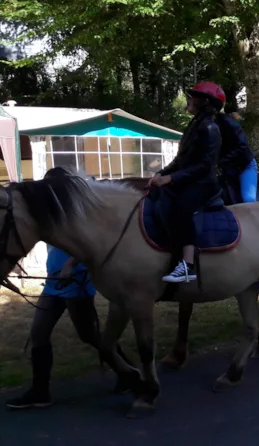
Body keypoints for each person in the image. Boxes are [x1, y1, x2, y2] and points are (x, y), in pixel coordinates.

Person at [6, 169, 130, 410]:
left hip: (75, 283)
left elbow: (92, 244)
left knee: (89, 335)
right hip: (53, 284)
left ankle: (127, 372)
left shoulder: (78, 216)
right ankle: (40, 392)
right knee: (38, 334)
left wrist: (71, 264)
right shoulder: (50, 216)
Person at [150, 82, 224, 283]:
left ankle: (187, 265)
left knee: (183, 208)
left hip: (203, 183)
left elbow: (205, 166)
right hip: (189, 180)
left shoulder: (210, 128)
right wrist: (160, 173)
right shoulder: (193, 125)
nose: (189, 99)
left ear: (205, 102)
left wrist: (171, 178)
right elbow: (179, 161)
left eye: (194, 96)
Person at [216, 107, 258, 203]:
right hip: (227, 170)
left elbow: (241, 147)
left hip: (245, 166)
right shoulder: (203, 127)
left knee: (248, 200)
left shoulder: (228, 124)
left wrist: (219, 163)